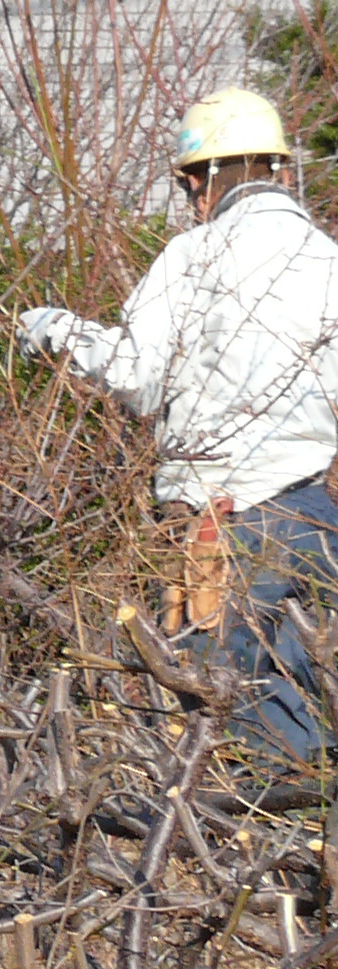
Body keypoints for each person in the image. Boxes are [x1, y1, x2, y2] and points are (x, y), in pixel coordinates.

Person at [18, 88, 338, 760]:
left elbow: (135, 374)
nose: (191, 198)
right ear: (278, 170)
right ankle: (308, 848)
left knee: (237, 715)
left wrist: (53, 330)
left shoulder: (193, 258)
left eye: (190, 181)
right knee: (304, 690)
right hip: (317, 518)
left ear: (206, 178)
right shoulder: (327, 260)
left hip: (228, 523)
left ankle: (257, 855)